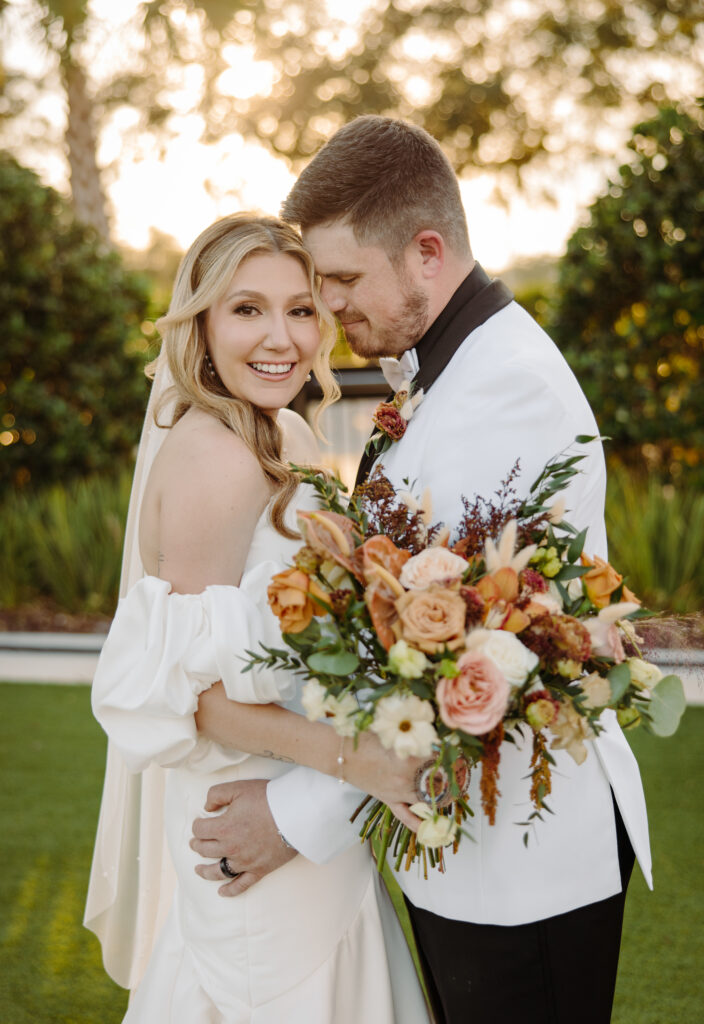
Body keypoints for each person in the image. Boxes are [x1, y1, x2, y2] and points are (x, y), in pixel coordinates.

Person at [190, 119, 652, 1024]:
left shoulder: (503, 387)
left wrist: (292, 817)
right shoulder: (448, 370)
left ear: (427, 252)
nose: (327, 308)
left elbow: (468, 660)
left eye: (344, 280)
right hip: (458, 840)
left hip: (526, 859)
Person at [86, 212, 432, 1023]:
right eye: (247, 309)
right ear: (201, 324)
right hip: (245, 826)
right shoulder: (212, 457)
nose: (280, 337)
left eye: (301, 309)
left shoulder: (284, 436)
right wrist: (361, 762)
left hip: (304, 822)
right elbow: (188, 696)